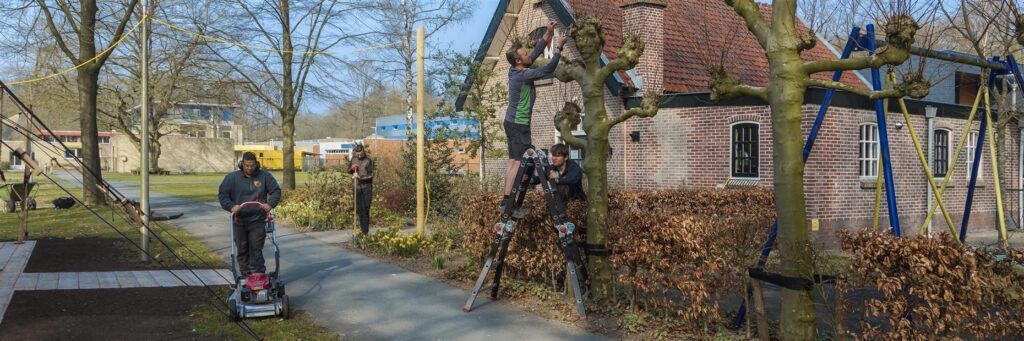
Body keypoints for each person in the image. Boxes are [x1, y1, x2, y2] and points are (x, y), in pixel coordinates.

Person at [500, 21, 569, 210]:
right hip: (520, 124)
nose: (528, 55)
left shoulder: (514, 70)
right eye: (524, 54)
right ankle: (512, 200)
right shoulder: (524, 75)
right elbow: (547, 69)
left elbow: (534, 54)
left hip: (510, 122)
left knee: (513, 161)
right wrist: (559, 48)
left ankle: (507, 199)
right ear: (518, 61)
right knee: (522, 160)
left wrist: (548, 33)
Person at [218, 151, 281, 276]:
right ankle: (245, 274)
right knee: (242, 248)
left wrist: (270, 204)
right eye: (247, 165)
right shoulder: (232, 178)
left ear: (256, 164)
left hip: (257, 219)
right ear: (242, 164)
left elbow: (276, 191)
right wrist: (231, 206)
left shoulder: (265, 176)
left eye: (252, 165)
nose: (250, 168)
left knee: (256, 248)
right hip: (239, 220)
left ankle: (258, 273)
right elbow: (223, 195)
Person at [348, 144, 374, 235]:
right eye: (357, 153)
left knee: (366, 209)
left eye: (360, 153)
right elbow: (348, 170)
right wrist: (352, 169)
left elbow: (371, 175)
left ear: (363, 151)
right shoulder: (353, 159)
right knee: (360, 209)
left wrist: (360, 176)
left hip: (367, 188)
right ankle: (364, 232)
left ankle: (365, 231)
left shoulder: (368, 160)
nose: (359, 155)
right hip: (357, 188)